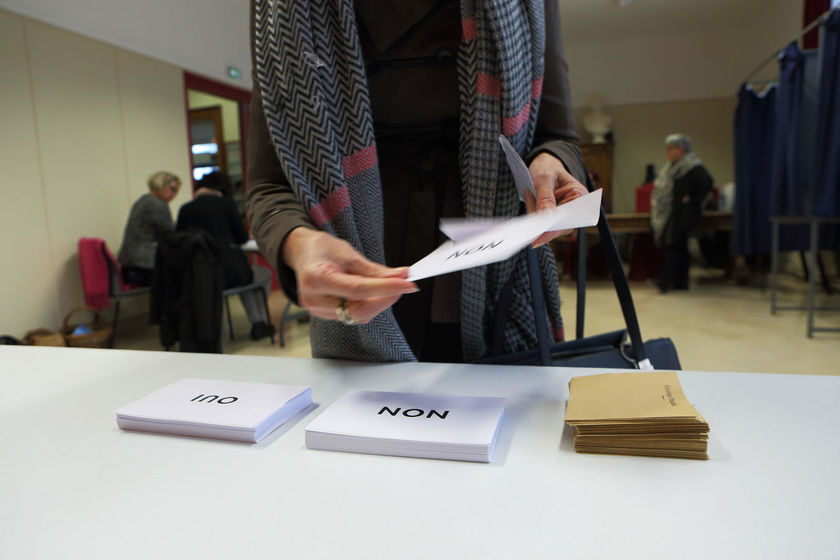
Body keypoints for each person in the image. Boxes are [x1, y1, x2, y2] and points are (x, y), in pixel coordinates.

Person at [246, 0, 588, 362]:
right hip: (356, 272)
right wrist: (300, 245)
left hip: (494, 277)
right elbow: (267, 185)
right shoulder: (280, 8)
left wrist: (552, 163)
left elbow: (559, 138)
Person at [176, 172, 276, 341]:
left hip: (201, 278)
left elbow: (180, 242)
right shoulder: (226, 204)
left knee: (248, 276)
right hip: (230, 273)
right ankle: (258, 322)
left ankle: (257, 323)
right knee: (258, 275)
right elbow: (242, 238)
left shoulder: (185, 209)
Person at [650, 134, 714, 293]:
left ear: (681, 149)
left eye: (671, 148)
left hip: (684, 213)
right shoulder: (672, 167)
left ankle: (665, 281)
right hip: (673, 211)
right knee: (679, 247)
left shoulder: (692, 166)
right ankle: (680, 282)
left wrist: (693, 198)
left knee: (674, 245)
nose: (668, 152)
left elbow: (707, 182)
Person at [118, 171, 179, 286]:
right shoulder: (158, 204)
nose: (175, 194)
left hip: (129, 265)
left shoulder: (143, 200)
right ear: (162, 186)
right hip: (143, 266)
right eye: (173, 189)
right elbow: (171, 234)